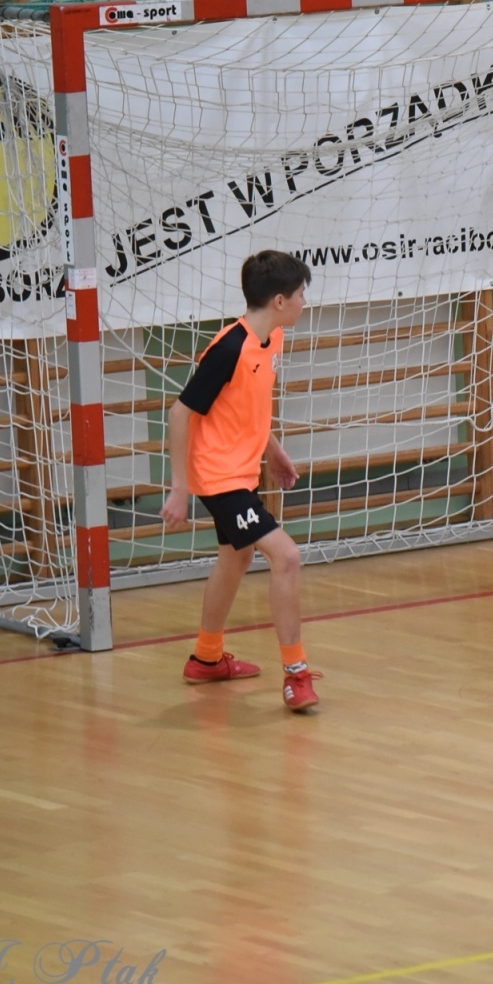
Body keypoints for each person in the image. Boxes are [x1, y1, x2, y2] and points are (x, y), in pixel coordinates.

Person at [160, 249, 321, 712]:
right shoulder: (229, 348)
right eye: (299, 295)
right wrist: (179, 487)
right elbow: (180, 412)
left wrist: (273, 451)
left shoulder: (272, 340)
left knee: (238, 555)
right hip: (217, 478)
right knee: (286, 557)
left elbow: (246, 407)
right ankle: (296, 674)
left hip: (242, 472)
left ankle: (207, 658)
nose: (303, 302)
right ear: (277, 301)